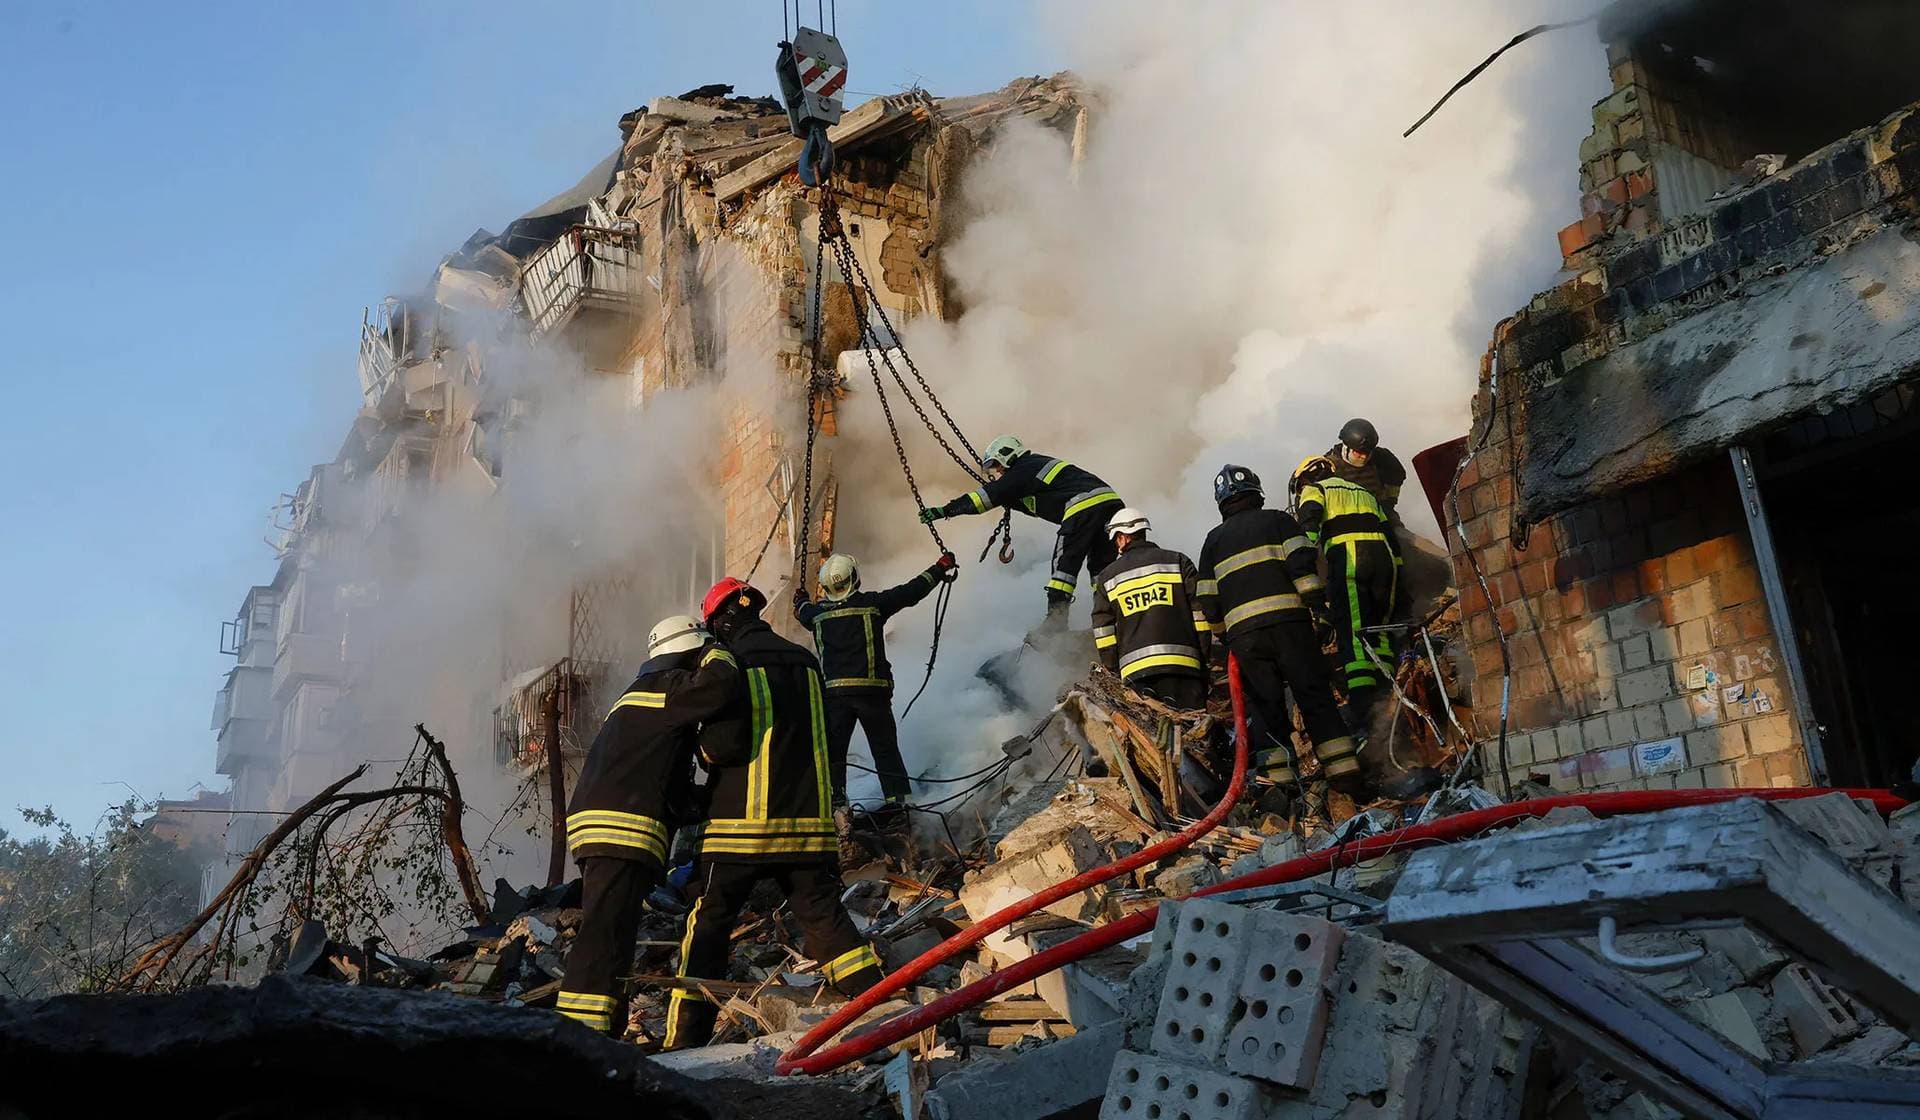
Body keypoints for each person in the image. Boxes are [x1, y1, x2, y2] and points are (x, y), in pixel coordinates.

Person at [665, 577, 883, 1050]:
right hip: (807, 827)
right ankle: (880, 1007)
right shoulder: (805, 661)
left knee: (710, 925)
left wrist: (701, 751)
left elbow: (723, 746)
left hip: (742, 828)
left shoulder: (732, 664)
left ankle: (684, 1042)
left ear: (721, 623)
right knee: (823, 919)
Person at [555, 615, 739, 1036]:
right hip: (622, 826)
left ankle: (604, 1026)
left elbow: (667, 782)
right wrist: (717, 649)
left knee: (614, 928)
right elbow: (721, 685)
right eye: (696, 656)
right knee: (604, 929)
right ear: (687, 655)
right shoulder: (669, 689)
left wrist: (702, 805)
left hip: (603, 822)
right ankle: (580, 1034)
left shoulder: (640, 696)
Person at [1196, 465, 1361, 806]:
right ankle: (1345, 776)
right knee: (1313, 695)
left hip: (1246, 638)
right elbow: (1303, 568)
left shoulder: (1212, 541)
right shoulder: (1279, 521)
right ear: (1256, 493)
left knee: (1265, 707)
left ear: (1221, 503)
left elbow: (1208, 601)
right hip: (1291, 627)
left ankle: (1280, 789)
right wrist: (1318, 609)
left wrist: (1225, 634)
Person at [792, 551, 957, 806]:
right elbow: (910, 592)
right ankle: (898, 803)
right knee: (885, 750)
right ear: (854, 578)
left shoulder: (817, 616)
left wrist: (800, 600)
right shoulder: (873, 605)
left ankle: (836, 806)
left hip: (835, 696)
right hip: (872, 694)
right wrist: (939, 568)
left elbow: (802, 611)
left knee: (835, 754)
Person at [920, 435, 1124, 626]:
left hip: (1082, 506)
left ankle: (1056, 625)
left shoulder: (1023, 467)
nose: (998, 472)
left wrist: (945, 510)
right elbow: (1031, 502)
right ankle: (1113, 616)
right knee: (1101, 569)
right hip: (1112, 505)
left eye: (997, 465)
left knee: (1064, 567)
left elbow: (984, 498)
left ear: (1007, 455)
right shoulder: (1036, 467)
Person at [1293, 455, 1400, 725]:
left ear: (1305, 477)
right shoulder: (1362, 491)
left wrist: (1300, 569)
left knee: (1352, 630)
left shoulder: (1314, 490)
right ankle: (1387, 691)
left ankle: (1364, 703)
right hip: (1387, 564)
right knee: (1380, 630)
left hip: (1351, 560)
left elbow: (1308, 534)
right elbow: (1390, 532)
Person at [1088, 508, 1211, 710]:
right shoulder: (1178, 561)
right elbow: (1201, 614)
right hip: (1184, 667)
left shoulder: (1108, 577)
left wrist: (1112, 668)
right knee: (1192, 729)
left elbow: (1103, 630)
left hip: (1137, 675)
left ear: (1121, 539)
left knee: (1154, 734)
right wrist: (1203, 657)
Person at [1324, 418, 1407, 526]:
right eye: (1358, 452)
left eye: (1368, 452)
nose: (1364, 456)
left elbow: (1397, 476)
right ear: (1346, 447)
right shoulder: (1326, 467)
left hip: (1382, 518)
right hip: (1343, 524)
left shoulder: (1383, 459)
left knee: (1412, 541)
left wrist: (1389, 501)